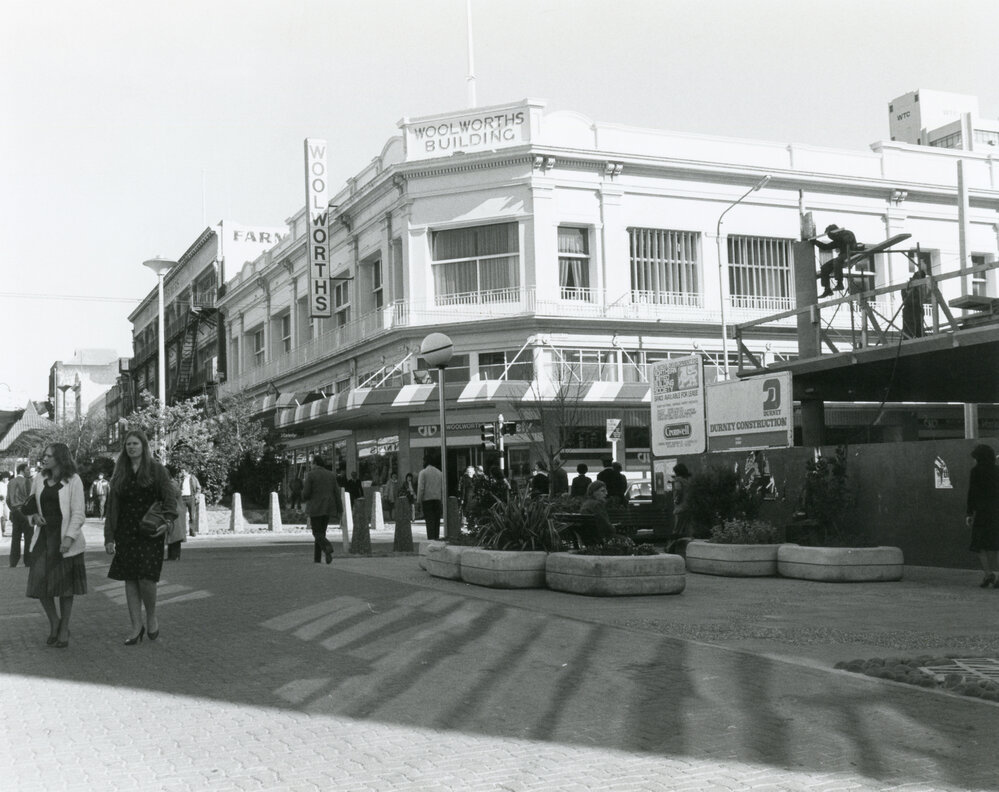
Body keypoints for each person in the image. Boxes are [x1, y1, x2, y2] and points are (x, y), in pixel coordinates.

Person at [104, 430, 179, 645]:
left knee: (147, 578)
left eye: (135, 443)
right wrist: (109, 537)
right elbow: (112, 508)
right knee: (130, 578)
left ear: (144, 446)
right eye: (128, 444)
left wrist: (167, 522)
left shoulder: (157, 470)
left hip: (149, 531)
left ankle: (151, 615)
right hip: (126, 532)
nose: (131, 447)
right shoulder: (120, 472)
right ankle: (136, 627)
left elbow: (170, 500)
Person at [22, 443, 87, 648]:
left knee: (65, 587)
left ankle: (64, 627)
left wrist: (69, 538)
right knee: (40, 584)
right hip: (43, 537)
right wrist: (34, 517)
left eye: (49, 456)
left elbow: (78, 513)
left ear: (60, 458)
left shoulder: (73, 480)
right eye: (44, 455)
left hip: (65, 538)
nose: (45, 459)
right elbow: (30, 504)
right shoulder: (39, 478)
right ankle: (55, 622)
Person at [966, 444, 999, 588]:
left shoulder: (976, 471)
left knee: (980, 545)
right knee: (997, 545)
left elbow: (972, 493)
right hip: (997, 511)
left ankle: (988, 574)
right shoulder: (998, 470)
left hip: (983, 513)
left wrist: (969, 512)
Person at [302, 455, 341, 564]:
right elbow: (337, 493)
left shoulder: (311, 475)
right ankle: (317, 558)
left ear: (315, 463)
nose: (310, 465)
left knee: (316, 533)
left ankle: (327, 547)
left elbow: (306, 493)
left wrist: (303, 495)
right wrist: (340, 509)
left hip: (315, 507)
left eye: (311, 463)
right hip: (328, 507)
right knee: (321, 533)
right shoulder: (331, 475)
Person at [811, 224, 861, 298]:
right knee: (824, 267)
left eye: (831, 236)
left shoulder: (847, 233)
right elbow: (826, 247)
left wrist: (838, 235)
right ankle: (827, 289)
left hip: (851, 253)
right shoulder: (837, 239)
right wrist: (816, 242)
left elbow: (847, 240)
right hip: (843, 255)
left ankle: (839, 283)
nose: (831, 238)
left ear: (835, 232)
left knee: (837, 261)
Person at [7, 462, 33, 567]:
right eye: (27, 470)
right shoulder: (27, 481)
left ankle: (13, 561)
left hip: (15, 511)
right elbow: (30, 498)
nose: (29, 472)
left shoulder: (11, 482)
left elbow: (8, 499)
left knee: (15, 537)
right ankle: (28, 560)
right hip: (26, 512)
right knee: (28, 537)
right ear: (22, 470)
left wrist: (13, 509)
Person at [417, 457, 444, 540]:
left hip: (427, 500)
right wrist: (442, 501)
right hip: (437, 500)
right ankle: (436, 538)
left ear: (426, 462)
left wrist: (419, 501)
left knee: (429, 522)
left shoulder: (423, 473)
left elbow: (421, 488)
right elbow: (442, 488)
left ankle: (431, 539)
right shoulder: (440, 473)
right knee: (436, 522)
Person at [901, 269, 927, 339]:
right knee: (911, 333)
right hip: (911, 311)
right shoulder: (908, 286)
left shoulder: (917, 287)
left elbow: (922, 299)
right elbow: (907, 300)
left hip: (916, 310)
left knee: (917, 332)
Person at [671, 463, 693, 537]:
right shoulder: (686, 481)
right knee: (686, 528)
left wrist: (676, 501)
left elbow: (678, 491)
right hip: (688, 506)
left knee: (677, 529)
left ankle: (674, 544)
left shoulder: (678, 480)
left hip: (680, 507)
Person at [178, 468, 201, 537]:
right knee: (182, 515)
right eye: (181, 471)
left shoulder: (193, 478)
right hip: (182, 498)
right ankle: (183, 531)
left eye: (183, 471)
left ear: (187, 472)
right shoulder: (180, 479)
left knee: (192, 516)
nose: (182, 473)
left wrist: (196, 496)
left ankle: (192, 531)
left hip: (191, 498)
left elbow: (198, 488)